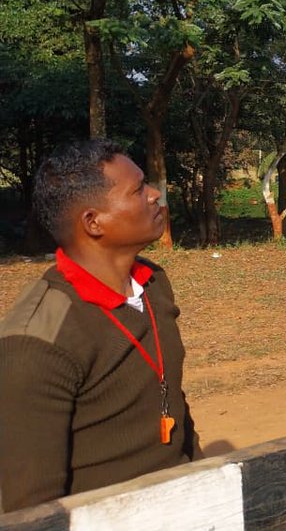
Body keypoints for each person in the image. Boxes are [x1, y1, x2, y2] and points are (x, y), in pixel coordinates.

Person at [0, 139, 199, 511]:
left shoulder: (153, 284)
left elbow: (175, 401)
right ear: (93, 222)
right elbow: (30, 508)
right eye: (139, 190)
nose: (155, 195)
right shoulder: (35, 340)